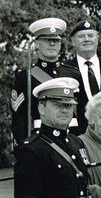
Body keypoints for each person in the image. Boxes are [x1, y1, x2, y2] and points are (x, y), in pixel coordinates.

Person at [11, 17, 77, 146]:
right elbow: (19, 119)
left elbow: (83, 111)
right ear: (36, 44)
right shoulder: (25, 77)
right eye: (47, 40)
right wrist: (22, 146)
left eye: (55, 41)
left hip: (73, 139)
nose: (52, 44)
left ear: (60, 45)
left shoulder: (73, 74)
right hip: (40, 141)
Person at [64, 19, 101, 133]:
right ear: (73, 42)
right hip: (78, 136)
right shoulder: (64, 70)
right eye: (81, 36)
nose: (87, 39)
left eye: (90, 35)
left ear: (97, 40)